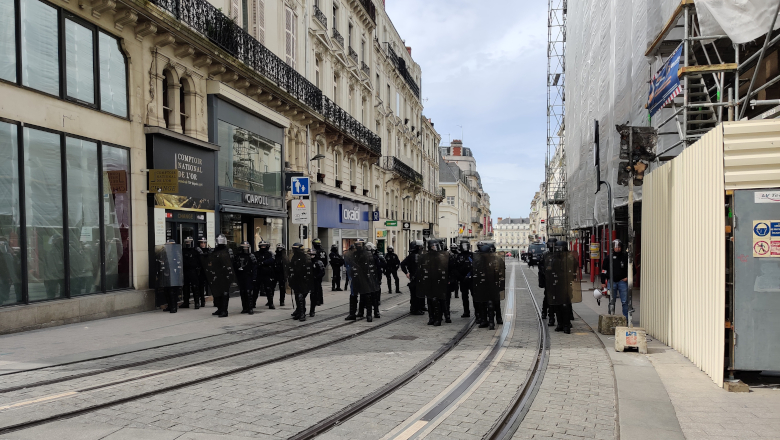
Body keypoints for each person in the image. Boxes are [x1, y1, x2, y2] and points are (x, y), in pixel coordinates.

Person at [472, 241, 505, 330]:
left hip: (493, 283)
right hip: (483, 283)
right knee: (482, 302)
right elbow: (475, 269)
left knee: (495, 302)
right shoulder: (480, 259)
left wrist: (500, 283)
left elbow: (501, 271)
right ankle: (484, 320)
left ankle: (497, 318)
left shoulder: (497, 259)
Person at [418, 239, 448, 326]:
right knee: (430, 300)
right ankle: (431, 318)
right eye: (432, 246)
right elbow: (421, 268)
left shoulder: (442, 256)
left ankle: (438, 319)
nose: (434, 248)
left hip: (438, 281)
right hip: (429, 281)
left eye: (435, 246)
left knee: (437, 300)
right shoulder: (426, 256)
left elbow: (446, 268)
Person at [349, 239, 380, 322]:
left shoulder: (368, 254)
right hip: (356, 277)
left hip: (366, 277)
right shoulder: (354, 254)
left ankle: (369, 314)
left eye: (360, 245)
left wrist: (375, 278)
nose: (358, 246)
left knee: (368, 296)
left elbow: (373, 266)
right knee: (353, 295)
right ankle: (352, 314)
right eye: (357, 245)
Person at [207, 234, 236, 318]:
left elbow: (231, 262)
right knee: (217, 293)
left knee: (224, 293)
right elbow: (210, 261)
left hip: (225, 274)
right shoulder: (214, 250)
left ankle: (224, 310)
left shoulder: (228, 250)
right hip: (216, 274)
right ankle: (219, 308)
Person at [601, 239, 630, 319]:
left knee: (624, 301)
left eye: (619, 247)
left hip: (622, 282)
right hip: (612, 282)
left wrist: (628, 277)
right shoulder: (608, 258)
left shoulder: (625, 257)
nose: (618, 248)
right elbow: (604, 270)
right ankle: (611, 317)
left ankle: (626, 319)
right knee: (611, 301)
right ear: (613, 248)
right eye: (616, 247)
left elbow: (632, 269)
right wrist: (603, 281)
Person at [156, 239, 184, 314]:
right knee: (166, 291)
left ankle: (174, 307)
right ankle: (169, 305)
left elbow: (179, 263)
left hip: (174, 274)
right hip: (166, 273)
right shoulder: (164, 253)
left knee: (172, 292)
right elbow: (160, 261)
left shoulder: (176, 253)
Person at [288, 243, 312, 322]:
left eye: (295, 249)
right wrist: (290, 276)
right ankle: (299, 311)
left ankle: (302, 313)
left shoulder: (305, 257)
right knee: (297, 296)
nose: (293, 250)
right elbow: (291, 267)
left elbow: (309, 269)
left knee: (301, 296)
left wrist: (307, 279)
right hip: (296, 279)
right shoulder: (294, 257)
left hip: (303, 280)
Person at [400, 240, 426, 315]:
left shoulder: (411, 255)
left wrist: (407, 273)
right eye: (420, 247)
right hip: (418, 277)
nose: (421, 248)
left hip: (414, 277)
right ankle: (416, 309)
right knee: (417, 294)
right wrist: (407, 272)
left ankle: (416, 308)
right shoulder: (417, 255)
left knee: (415, 294)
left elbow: (402, 264)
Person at [234, 241, 257, 315]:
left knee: (248, 292)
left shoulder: (251, 256)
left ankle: (250, 308)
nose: (245, 248)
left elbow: (254, 268)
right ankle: (244, 308)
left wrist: (254, 277)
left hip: (248, 275)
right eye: (244, 247)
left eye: (246, 247)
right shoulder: (237, 256)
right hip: (240, 275)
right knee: (242, 292)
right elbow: (235, 266)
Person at [181, 237, 204, 310]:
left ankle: (197, 303)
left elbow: (201, 260)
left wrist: (199, 269)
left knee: (195, 287)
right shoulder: (183, 250)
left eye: (189, 242)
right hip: (185, 270)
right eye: (186, 242)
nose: (188, 243)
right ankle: (186, 302)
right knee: (185, 287)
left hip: (194, 270)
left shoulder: (196, 250)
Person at [539, 239, 557, 326]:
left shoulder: (558, 254)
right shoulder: (545, 254)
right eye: (550, 244)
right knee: (547, 297)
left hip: (557, 279)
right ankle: (547, 314)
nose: (551, 245)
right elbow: (541, 267)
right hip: (548, 279)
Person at [254, 240, 276, 309]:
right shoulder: (256, 254)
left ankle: (270, 303)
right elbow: (254, 262)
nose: (263, 247)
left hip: (267, 274)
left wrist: (263, 263)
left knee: (268, 289)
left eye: (264, 246)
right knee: (255, 289)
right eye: (262, 246)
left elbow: (272, 260)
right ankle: (253, 303)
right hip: (258, 274)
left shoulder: (270, 254)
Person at [457, 240, 474, 318]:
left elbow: (475, 266)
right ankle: (466, 312)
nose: (465, 247)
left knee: (474, 296)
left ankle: (477, 312)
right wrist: (461, 277)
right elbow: (455, 268)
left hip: (471, 279)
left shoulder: (472, 255)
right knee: (464, 296)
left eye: (466, 245)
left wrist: (470, 275)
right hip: (463, 279)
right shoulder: (458, 256)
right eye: (463, 246)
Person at [312, 238, 327, 306]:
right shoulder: (323, 251)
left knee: (316, 286)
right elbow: (326, 261)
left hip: (316, 269)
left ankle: (317, 300)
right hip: (321, 269)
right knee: (319, 285)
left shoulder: (315, 251)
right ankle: (320, 299)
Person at [310, 249, 325, 317]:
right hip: (307, 281)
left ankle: (312, 310)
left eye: (313, 255)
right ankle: (300, 310)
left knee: (313, 296)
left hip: (315, 281)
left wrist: (316, 277)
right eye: (310, 255)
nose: (311, 256)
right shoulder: (307, 262)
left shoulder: (318, 262)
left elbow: (322, 272)